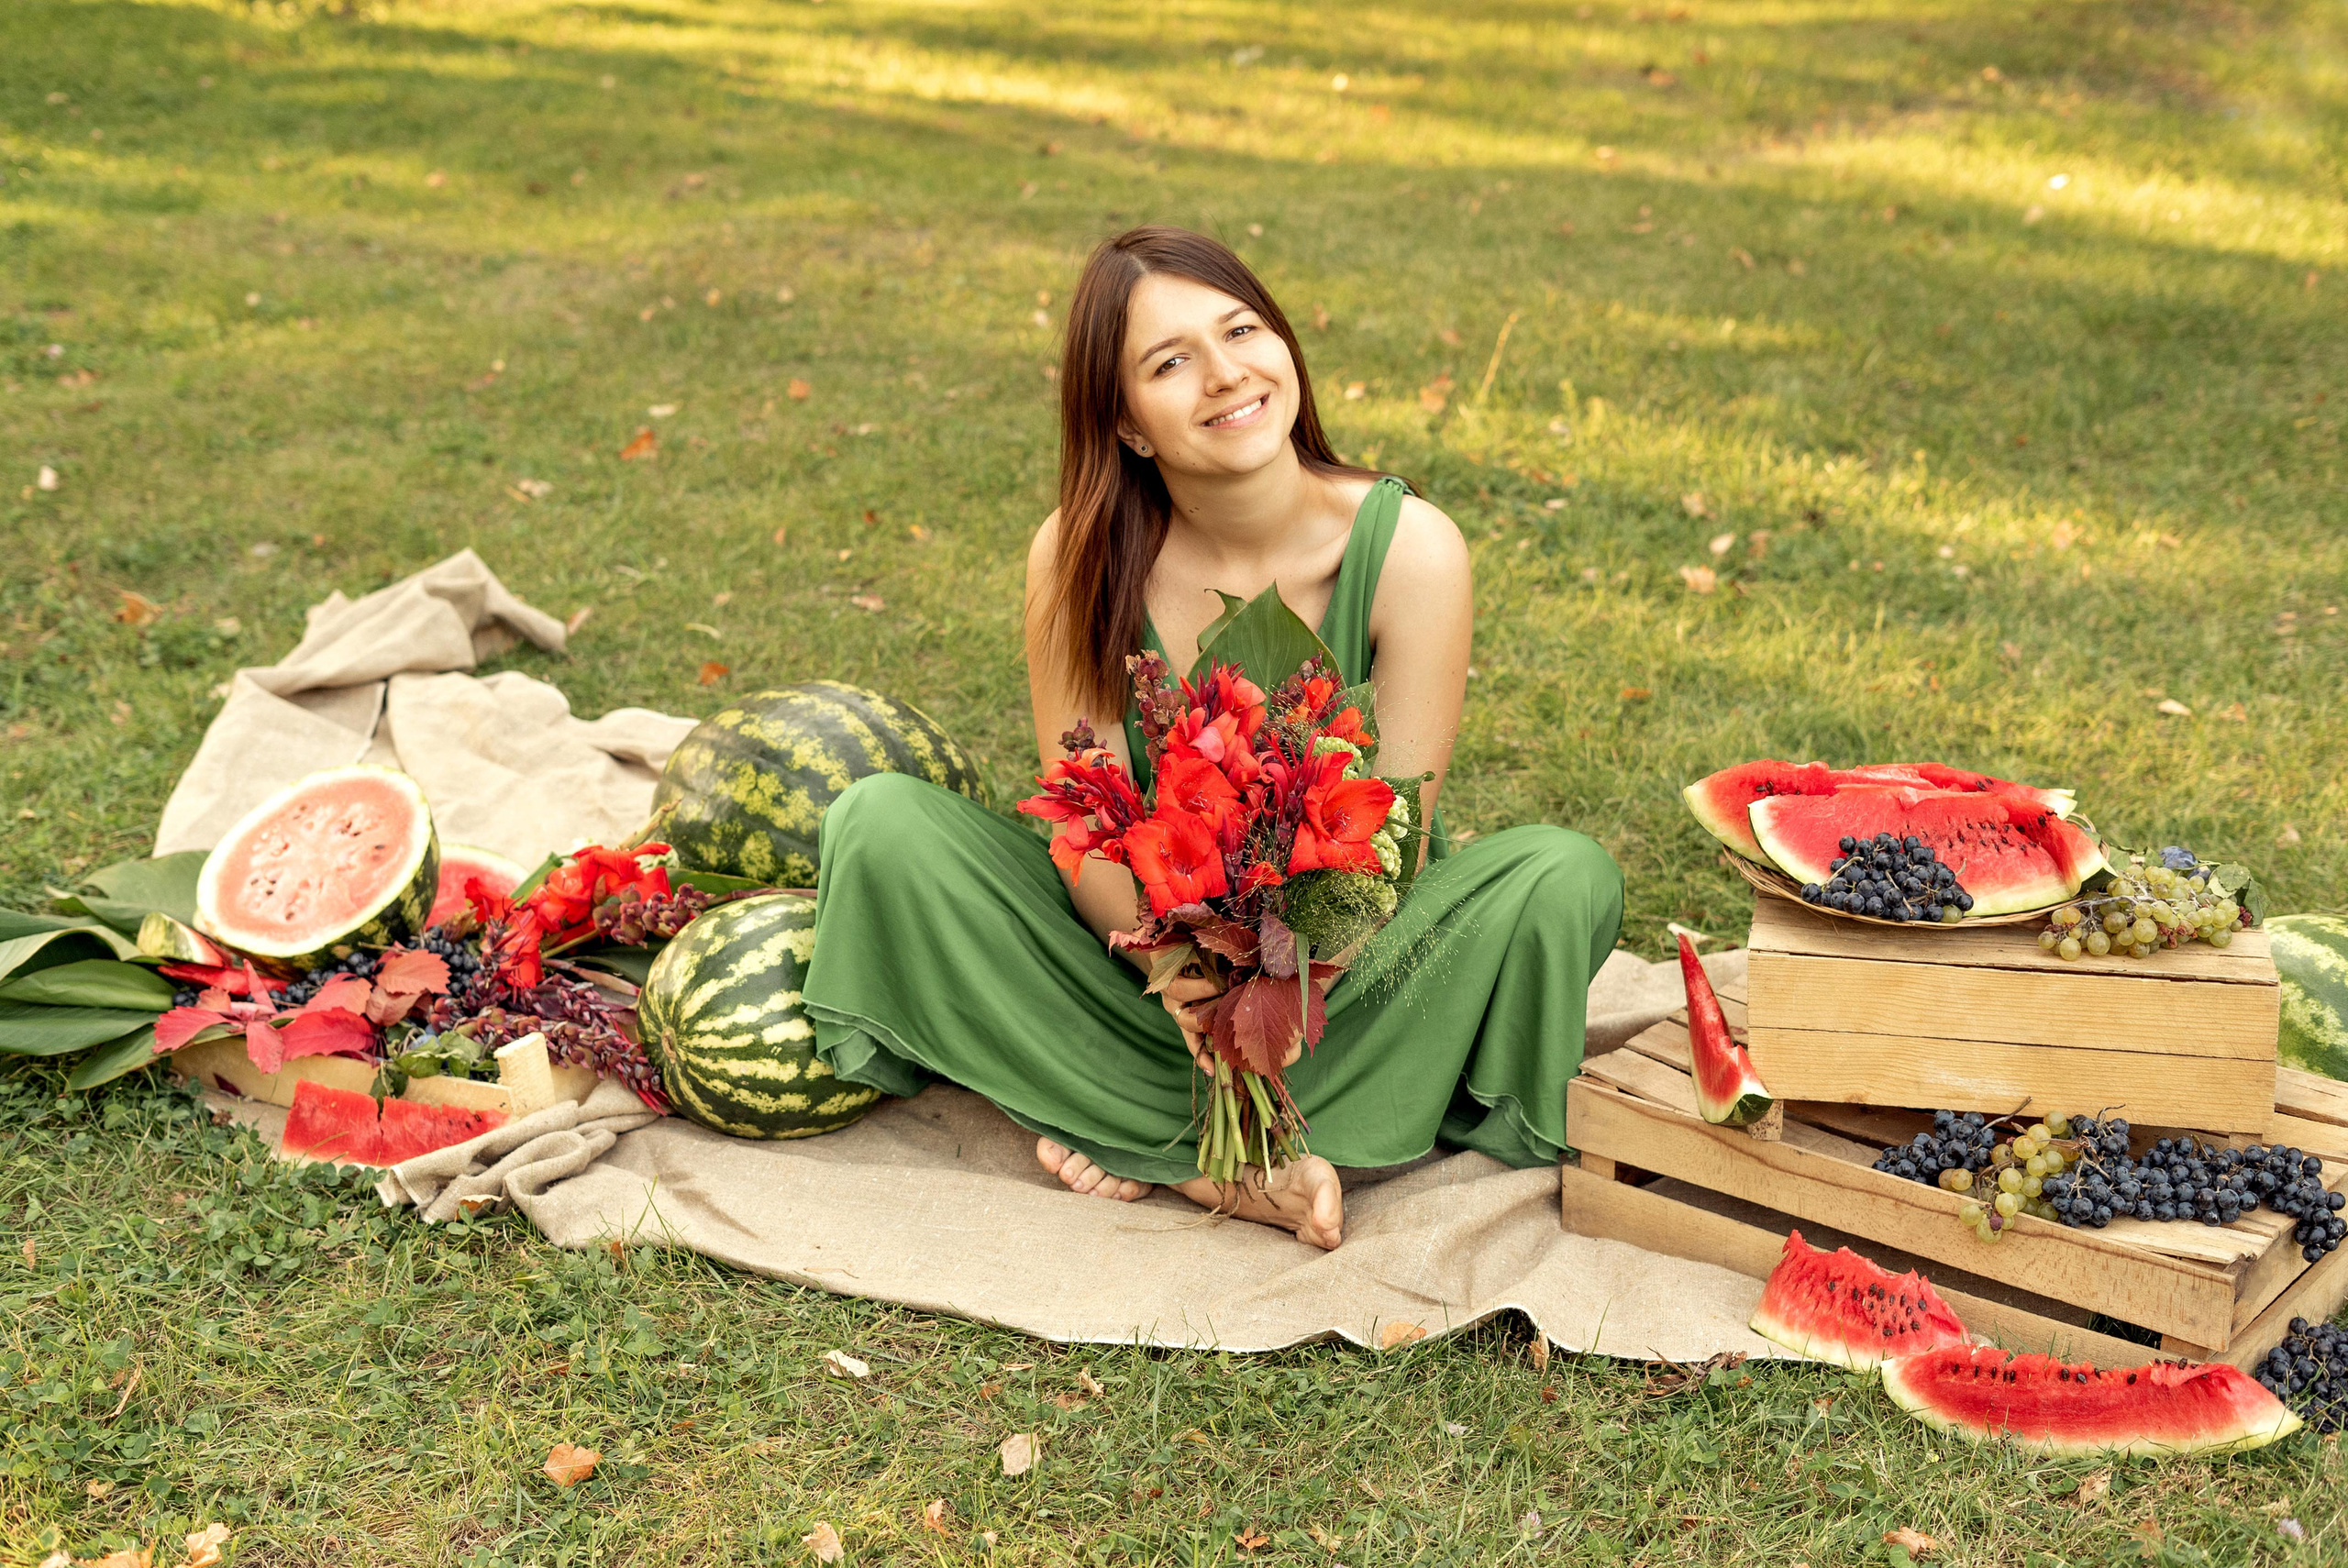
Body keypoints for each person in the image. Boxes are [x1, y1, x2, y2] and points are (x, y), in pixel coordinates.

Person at [802, 226, 1623, 1249]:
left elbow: (1393, 840)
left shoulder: (1411, 550)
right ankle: (1228, 1149)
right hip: (1136, 962)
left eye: (1240, 331)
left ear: (1282, 344)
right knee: (881, 824)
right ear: (1128, 424)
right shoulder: (1076, 555)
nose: (1226, 373)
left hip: (1344, 964)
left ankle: (1117, 1113)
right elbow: (1086, 819)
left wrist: (1272, 998)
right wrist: (1186, 984)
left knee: (1563, 877)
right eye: (1169, 362)